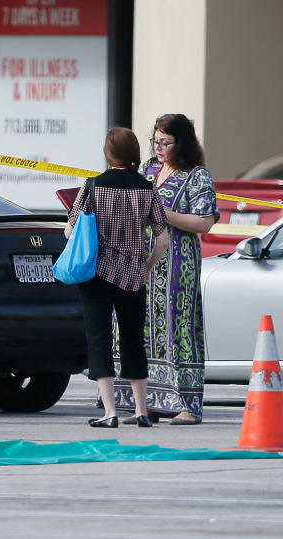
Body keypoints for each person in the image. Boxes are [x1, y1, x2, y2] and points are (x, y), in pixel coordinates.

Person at [114, 114, 218, 425]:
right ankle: (145, 404)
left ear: (181, 143)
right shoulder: (147, 169)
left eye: (166, 142)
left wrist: (161, 213)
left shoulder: (197, 176)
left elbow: (205, 222)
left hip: (177, 265)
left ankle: (187, 405)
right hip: (140, 262)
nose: (158, 148)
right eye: (155, 141)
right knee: (139, 328)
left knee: (178, 328)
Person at [66, 127, 169, 428]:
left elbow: (69, 230)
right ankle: (140, 410)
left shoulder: (93, 187)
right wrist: (146, 268)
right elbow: (162, 241)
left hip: (97, 273)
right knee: (134, 339)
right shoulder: (147, 189)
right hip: (134, 275)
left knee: (99, 339)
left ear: (107, 154)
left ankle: (110, 412)